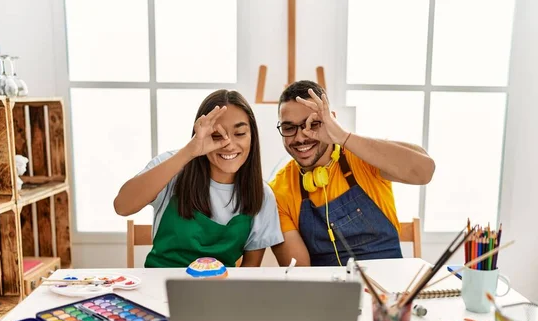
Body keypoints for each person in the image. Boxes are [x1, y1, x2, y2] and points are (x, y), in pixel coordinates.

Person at [269, 80, 435, 267]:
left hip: (388, 286)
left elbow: (425, 171)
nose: (300, 137)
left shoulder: (364, 155)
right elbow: (299, 272)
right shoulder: (277, 192)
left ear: (330, 119)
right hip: (327, 291)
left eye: (312, 124)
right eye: (289, 128)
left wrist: (342, 136)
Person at [114, 90, 284, 268]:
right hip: (160, 288)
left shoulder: (262, 195)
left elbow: (249, 273)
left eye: (240, 133)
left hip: (219, 292)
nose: (229, 145)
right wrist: (190, 151)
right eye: (217, 135)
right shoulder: (173, 166)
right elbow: (122, 206)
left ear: (252, 137)